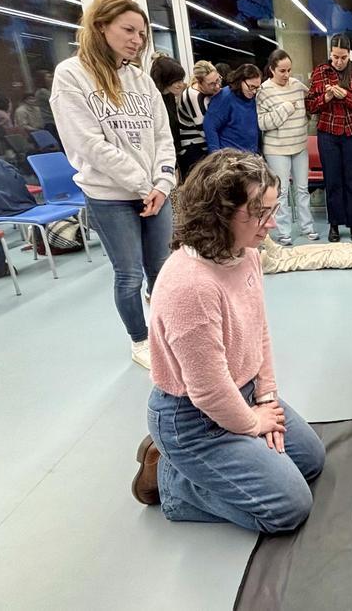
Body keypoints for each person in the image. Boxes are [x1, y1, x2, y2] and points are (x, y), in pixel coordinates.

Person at [130, 149, 325, 533]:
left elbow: (259, 331)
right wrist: (253, 424)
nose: (271, 223)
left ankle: (195, 463)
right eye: (260, 213)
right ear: (220, 213)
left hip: (242, 391)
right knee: (289, 507)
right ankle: (173, 482)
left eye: (272, 210)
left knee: (311, 460)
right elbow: (208, 390)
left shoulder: (246, 253)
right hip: (193, 419)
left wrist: (266, 397)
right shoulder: (190, 285)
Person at [51, 0, 176, 370]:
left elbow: (162, 136)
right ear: (101, 26)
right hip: (110, 196)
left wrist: (162, 184)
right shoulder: (71, 75)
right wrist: (142, 185)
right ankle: (141, 340)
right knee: (129, 275)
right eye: (129, 30)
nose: (137, 40)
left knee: (163, 271)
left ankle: (168, 335)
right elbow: (88, 144)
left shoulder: (141, 79)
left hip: (155, 193)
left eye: (142, 33)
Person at [306, 33, 352, 243]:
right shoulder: (320, 72)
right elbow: (310, 106)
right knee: (332, 180)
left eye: (343, 57)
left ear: (349, 54)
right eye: (335, 57)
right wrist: (326, 97)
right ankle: (334, 224)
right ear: (330, 54)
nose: (338, 61)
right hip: (327, 133)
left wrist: (346, 96)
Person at [257, 49, 317, 245]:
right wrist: (286, 108)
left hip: (299, 145)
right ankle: (284, 232)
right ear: (272, 70)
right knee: (281, 192)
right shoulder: (264, 90)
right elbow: (263, 123)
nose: (286, 74)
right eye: (282, 71)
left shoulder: (297, 85)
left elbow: (312, 100)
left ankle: (307, 227)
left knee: (303, 189)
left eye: (289, 70)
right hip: (277, 149)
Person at [176, 60, 221, 180]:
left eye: (218, 80)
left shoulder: (209, 92)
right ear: (200, 82)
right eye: (211, 84)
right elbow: (205, 129)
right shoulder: (193, 96)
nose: (217, 86)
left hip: (203, 148)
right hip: (193, 150)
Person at [204, 63, 262, 154]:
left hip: (250, 155)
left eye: (257, 88)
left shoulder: (254, 97)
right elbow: (210, 126)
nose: (254, 91)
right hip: (230, 156)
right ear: (240, 81)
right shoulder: (225, 96)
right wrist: (216, 155)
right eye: (251, 87)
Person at [149, 54, 187, 152]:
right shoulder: (153, 99)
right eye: (176, 81)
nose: (181, 84)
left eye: (181, 80)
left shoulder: (170, 95)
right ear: (165, 79)